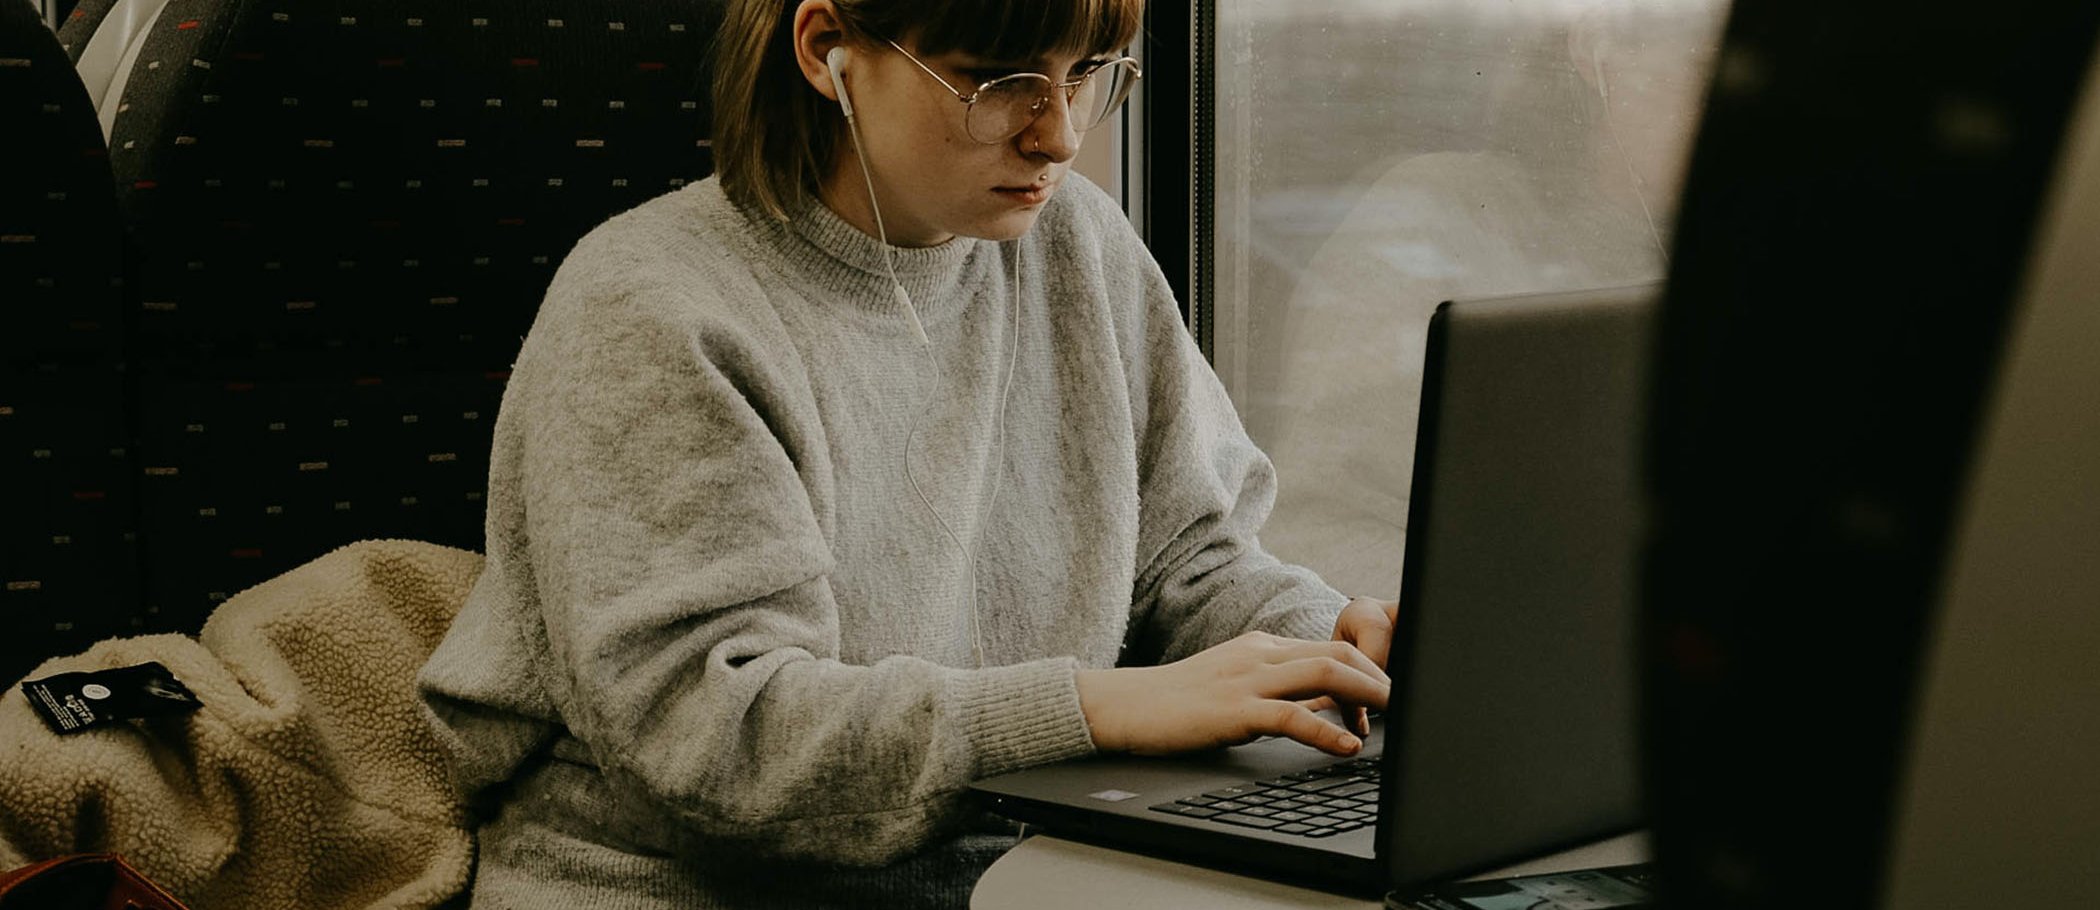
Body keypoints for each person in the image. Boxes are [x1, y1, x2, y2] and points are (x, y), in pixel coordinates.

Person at [415, 0, 1398, 907]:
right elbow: (721, 740)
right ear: (825, 50)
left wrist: (1337, 651)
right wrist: (1097, 710)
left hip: (1003, 869)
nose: (1058, 133)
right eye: (996, 79)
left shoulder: (1077, 245)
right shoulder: (654, 306)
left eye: (1089, 70)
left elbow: (1192, 561)